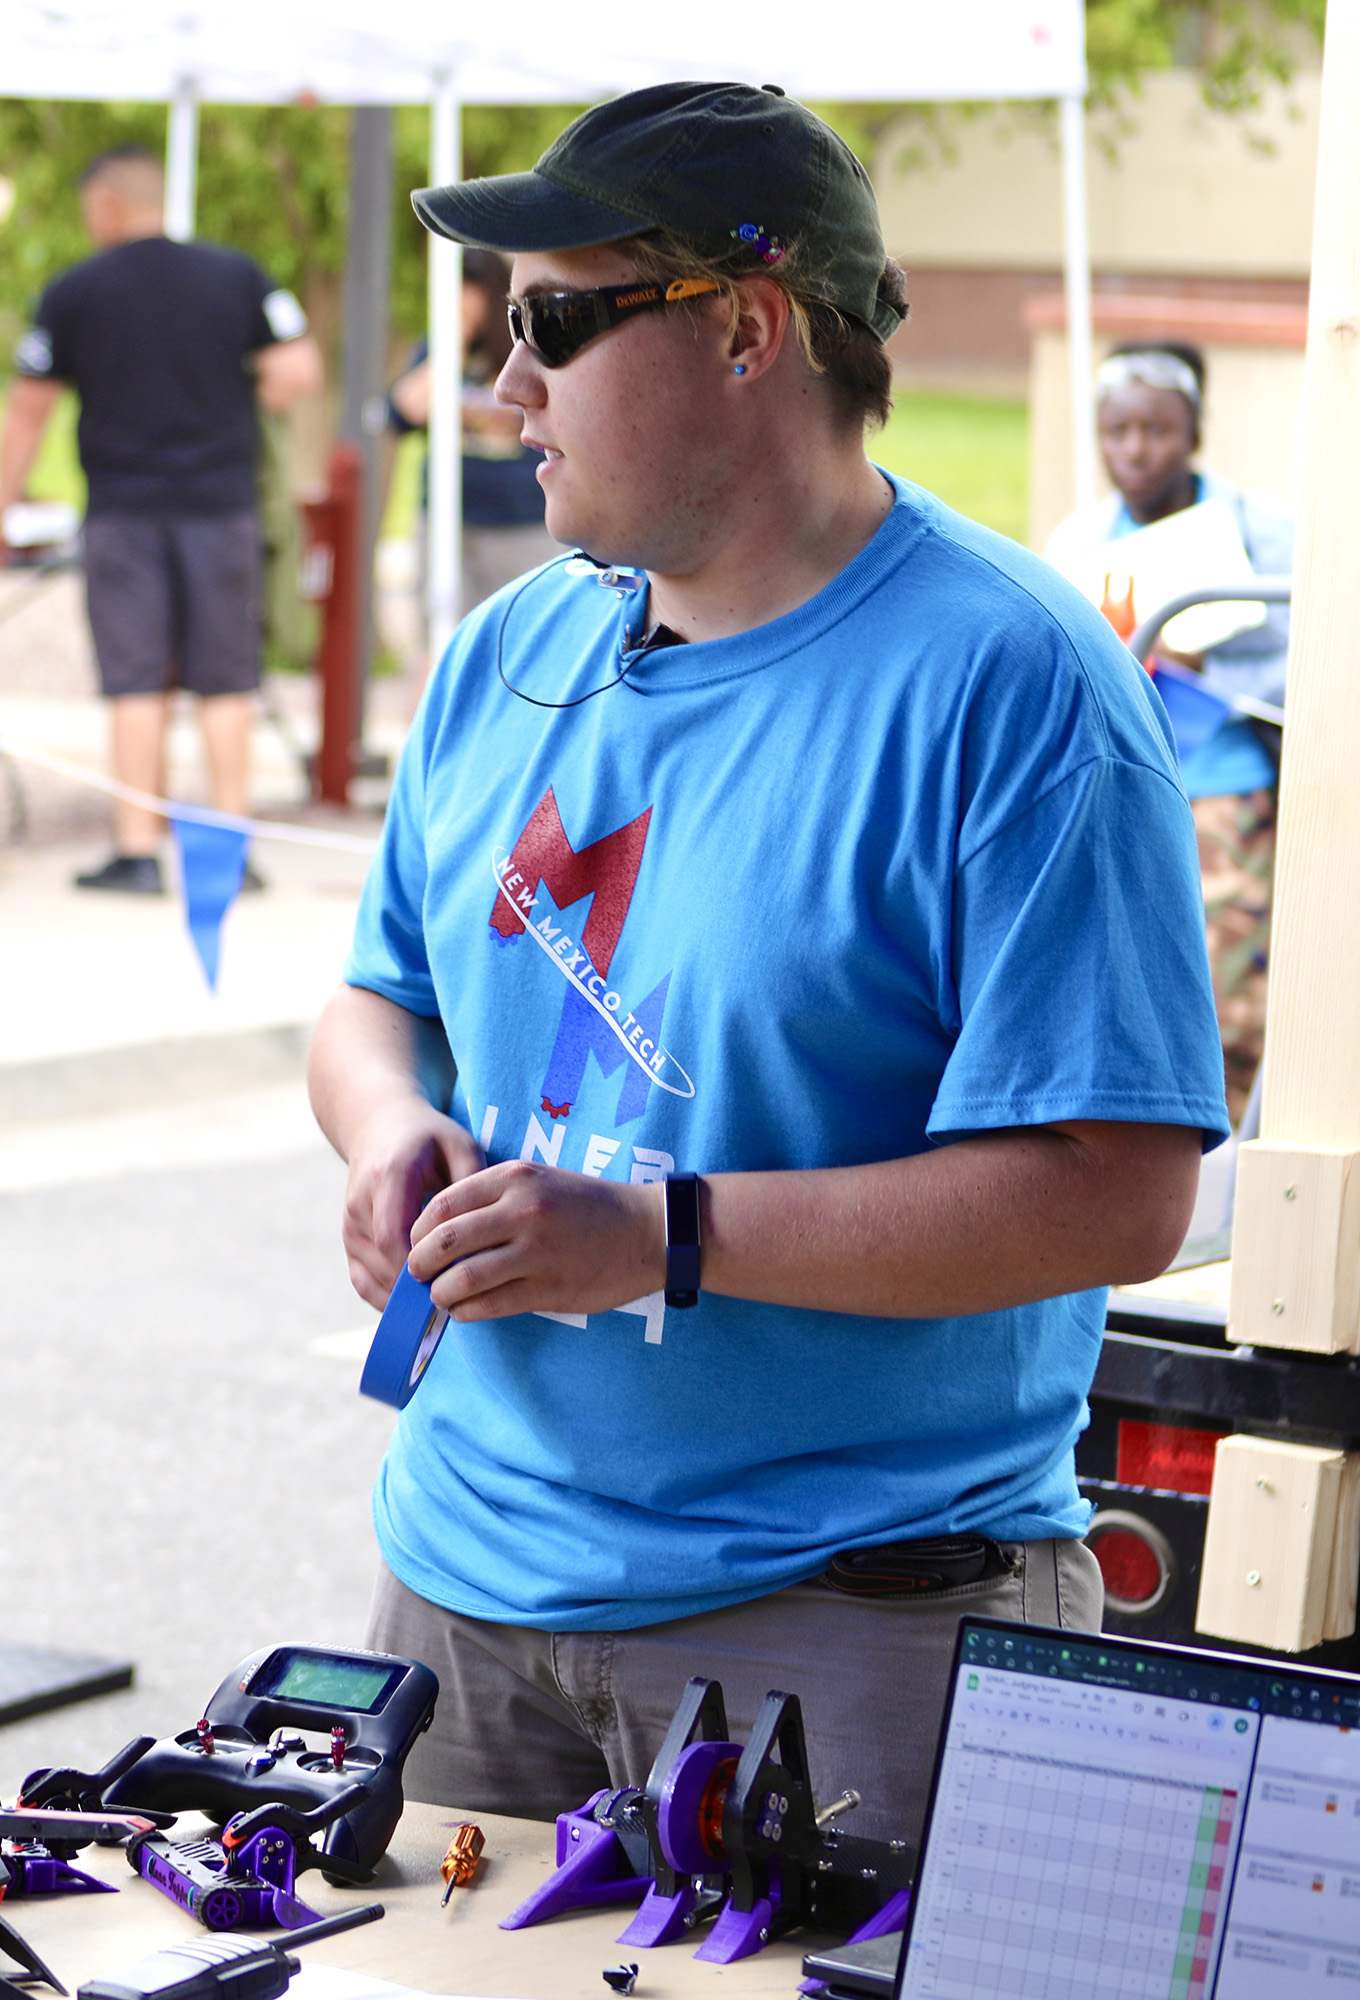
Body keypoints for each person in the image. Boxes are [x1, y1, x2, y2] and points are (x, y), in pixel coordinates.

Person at [311, 82, 1225, 1847]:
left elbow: (1120, 1193)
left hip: (850, 1618)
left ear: (748, 329)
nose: (506, 388)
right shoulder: (516, 647)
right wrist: (383, 1136)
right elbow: (379, 1003)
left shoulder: (1011, 688)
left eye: (555, 326)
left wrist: (671, 1238)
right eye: (506, 331)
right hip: (461, 1591)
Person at [0, 143, 321, 895]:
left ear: (105, 206)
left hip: (124, 512)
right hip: (221, 505)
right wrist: (229, 402)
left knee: (136, 680)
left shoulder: (74, 290)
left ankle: (137, 850)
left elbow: (28, 407)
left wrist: (1, 513)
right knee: (226, 679)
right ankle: (229, 849)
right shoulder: (235, 274)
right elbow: (297, 370)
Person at [1042, 341, 1291, 1123]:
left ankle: (1227, 1170)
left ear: (1195, 432)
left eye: (1157, 430)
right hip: (1121, 789)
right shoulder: (1080, 544)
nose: (1136, 450)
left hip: (1223, 787)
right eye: (1117, 432)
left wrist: (1197, 652)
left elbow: (1306, 651)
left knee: (1227, 994)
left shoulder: (1260, 533)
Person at [383, 247, 563, 680]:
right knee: (442, 648)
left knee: (529, 651)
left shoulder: (524, 348)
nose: (462, 299)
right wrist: (453, 344)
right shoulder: (441, 350)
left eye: (471, 289)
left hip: (521, 525)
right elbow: (403, 413)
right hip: (448, 524)